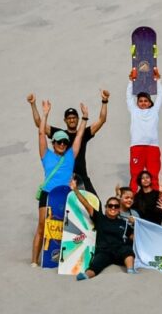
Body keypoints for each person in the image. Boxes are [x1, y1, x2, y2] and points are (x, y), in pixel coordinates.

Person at [31, 100, 87, 267]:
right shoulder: (45, 155)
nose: (62, 144)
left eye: (64, 142)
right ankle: (35, 260)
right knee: (42, 225)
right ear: (53, 143)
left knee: (66, 226)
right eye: (59, 142)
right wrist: (45, 114)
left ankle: (65, 258)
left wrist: (84, 117)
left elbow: (79, 137)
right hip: (48, 194)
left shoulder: (70, 155)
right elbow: (41, 134)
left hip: (65, 195)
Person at [27, 90, 108, 195]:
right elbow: (39, 123)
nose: (72, 120)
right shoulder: (59, 134)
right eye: (69, 118)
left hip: (82, 176)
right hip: (64, 178)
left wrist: (104, 101)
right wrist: (33, 104)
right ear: (65, 120)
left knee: (96, 206)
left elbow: (102, 119)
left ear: (78, 119)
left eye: (74, 117)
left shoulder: (83, 133)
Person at [69, 181, 137, 280]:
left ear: (119, 209)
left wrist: (135, 224)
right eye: (110, 206)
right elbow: (86, 204)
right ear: (106, 208)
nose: (113, 208)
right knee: (96, 264)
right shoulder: (100, 218)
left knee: (128, 251)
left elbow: (134, 238)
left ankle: (130, 270)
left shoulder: (124, 223)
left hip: (119, 250)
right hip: (104, 251)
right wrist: (75, 189)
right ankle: (87, 275)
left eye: (116, 206)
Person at [126, 66, 162, 192]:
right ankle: (133, 199)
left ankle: (155, 201)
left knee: (153, 175)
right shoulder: (134, 111)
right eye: (140, 101)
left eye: (146, 101)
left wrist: (158, 80)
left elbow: (160, 96)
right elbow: (128, 97)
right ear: (137, 103)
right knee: (135, 175)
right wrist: (131, 81)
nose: (143, 103)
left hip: (153, 147)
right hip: (137, 146)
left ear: (149, 102)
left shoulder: (154, 111)